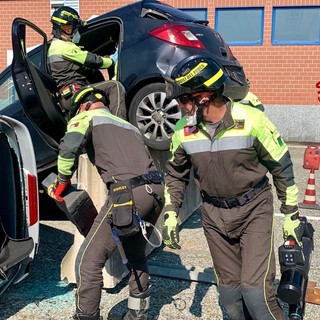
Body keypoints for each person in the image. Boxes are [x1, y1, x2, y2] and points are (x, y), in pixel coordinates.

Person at [161, 56, 303, 320]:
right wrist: (171, 211)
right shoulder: (183, 131)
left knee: (256, 294)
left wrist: (291, 213)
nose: (179, 106)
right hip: (214, 216)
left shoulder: (252, 120)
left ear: (203, 96)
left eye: (183, 99)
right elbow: (175, 174)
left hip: (254, 209)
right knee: (230, 297)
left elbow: (282, 166)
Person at [47, 85, 164, 320]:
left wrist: (60, 185)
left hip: (126, 195)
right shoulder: (129, 126)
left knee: (88, 261)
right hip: (156, 192)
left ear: (82, 106)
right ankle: (137, 315)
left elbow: (68, 148)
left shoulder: (86, 117)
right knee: (136, 256)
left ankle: (87, 316)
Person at [48, 6, 127, 120]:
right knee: (115, 86)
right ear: (57, 29)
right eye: (68, 29)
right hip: (75, 93)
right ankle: (119, 124)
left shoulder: (56, 46)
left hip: (70, 94)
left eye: (73, 29)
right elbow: (92, 60)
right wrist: (111, 61)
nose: (72, 33)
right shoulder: (63, 47)